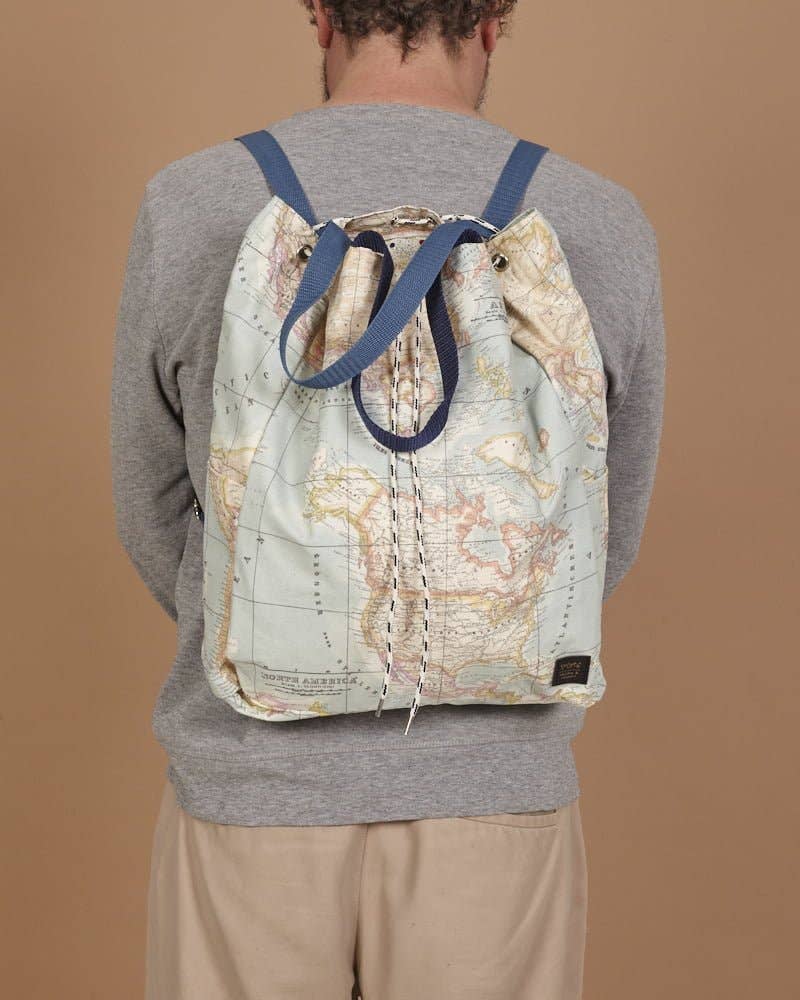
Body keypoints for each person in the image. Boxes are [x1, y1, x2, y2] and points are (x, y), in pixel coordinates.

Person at [110, 2, 666, 997]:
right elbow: (599, 530)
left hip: (252, 789)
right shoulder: (594, 217)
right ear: (491, 21)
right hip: (491, 792)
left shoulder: (192, 202)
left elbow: (150, 505)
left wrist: (280, 619)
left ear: (321, 14)